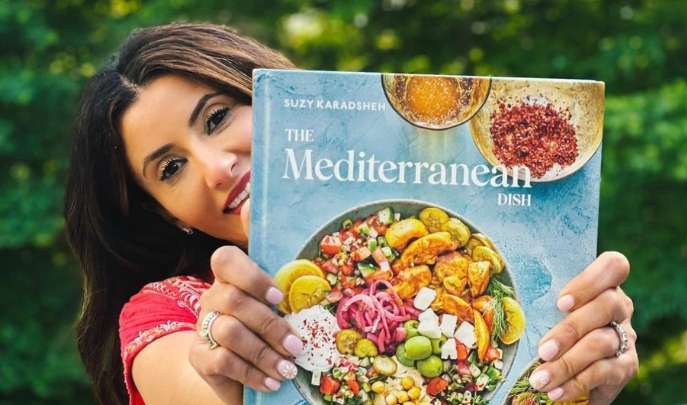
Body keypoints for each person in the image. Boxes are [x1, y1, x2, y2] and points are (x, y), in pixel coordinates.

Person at [63, 22, 638, 405]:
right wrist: (225, 372)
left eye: (216, 117)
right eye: (170, 169)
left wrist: (581, 374)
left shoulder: (448, 237)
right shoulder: (165, 312)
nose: (215, 167)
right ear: (166, 214)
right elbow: (190, 383)